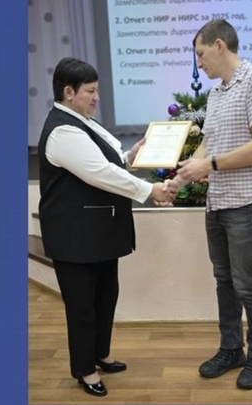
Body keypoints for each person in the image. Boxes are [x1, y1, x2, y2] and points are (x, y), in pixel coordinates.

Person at [37, 57, 177, 397]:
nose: (96, 97)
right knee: (82, 306)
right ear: (68, 92)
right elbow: (99, 173)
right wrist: (150, 190)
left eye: (97, 90)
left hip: (97, 232)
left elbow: (109, 161)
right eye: (90, 91)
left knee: (105, 297)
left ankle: (99, 354)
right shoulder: (63, 130)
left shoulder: (82, 121)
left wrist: (132, 155)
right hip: (75, 237)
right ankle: (84, 369)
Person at [173, 19, 252, 390]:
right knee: (225, 281)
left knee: (247, 284)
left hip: (247, 203)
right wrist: (182, 177)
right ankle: (232, 349)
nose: (198, 64)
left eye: (201, 54)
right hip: (217, 202)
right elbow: (207, 145)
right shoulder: (217, 94)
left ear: (219, 45)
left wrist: (210, 166)